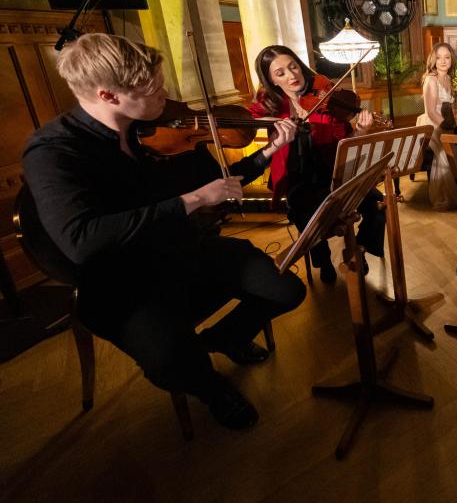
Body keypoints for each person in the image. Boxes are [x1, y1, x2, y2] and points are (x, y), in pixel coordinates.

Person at [21, 33, 307, 431]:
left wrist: (268, 152)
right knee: (171, 361)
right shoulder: (54, 151)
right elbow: (82, 240)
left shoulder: (154, 130)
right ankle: (210, 387)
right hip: (121, 284)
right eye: (153, 89)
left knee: (286, 289)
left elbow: (217, 183)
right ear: (108, 95)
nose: (165, 94)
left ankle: (226, 336)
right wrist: (190, 201)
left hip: (183, 251)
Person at [249, 46, 386, 284]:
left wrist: (361, 131)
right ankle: (323, 261)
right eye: (280, 73)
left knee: (377, 203)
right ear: (271, 81)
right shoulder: (271, 104)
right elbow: (247, 119)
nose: (292, 75)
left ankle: (359, 249)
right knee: (305, 213)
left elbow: (346, 142)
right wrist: (274, 126)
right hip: (298, 179)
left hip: (334, 174)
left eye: (293, 66)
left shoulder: (326, 97)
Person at [416, 42, 457, 210]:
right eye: (438, 58)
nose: (443, 61)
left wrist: (454, 123)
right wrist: (446, 128)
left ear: (451, 60)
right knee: (446, 149)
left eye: (447, 57)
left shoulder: (449, 78)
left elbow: (448, 108)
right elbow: (430, 112)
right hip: (431, 125)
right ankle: (443, 195)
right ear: (433, 60)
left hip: (444, 122)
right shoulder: (431, 79)